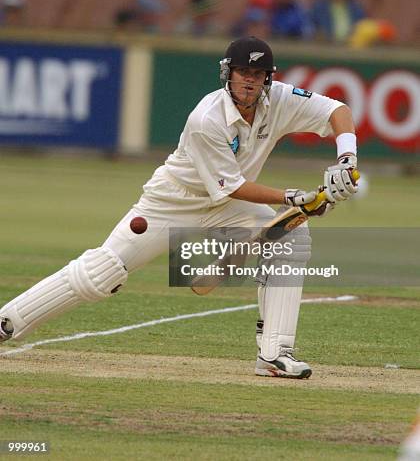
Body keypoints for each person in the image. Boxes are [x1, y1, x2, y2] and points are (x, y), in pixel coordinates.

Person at [0, 36, 359, 378]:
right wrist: (293, 197)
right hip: (173, 202)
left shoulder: (279, 100)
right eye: (242, 73)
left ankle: (275, 354)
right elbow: (232, 186)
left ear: (268, 78)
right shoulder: (207, 119)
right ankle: (8, 321)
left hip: (230, 206)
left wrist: (346, 159)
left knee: (292, 239)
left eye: (257, 75)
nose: (250, 81)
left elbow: (336, 111)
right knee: (101, 273)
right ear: (228, 74)